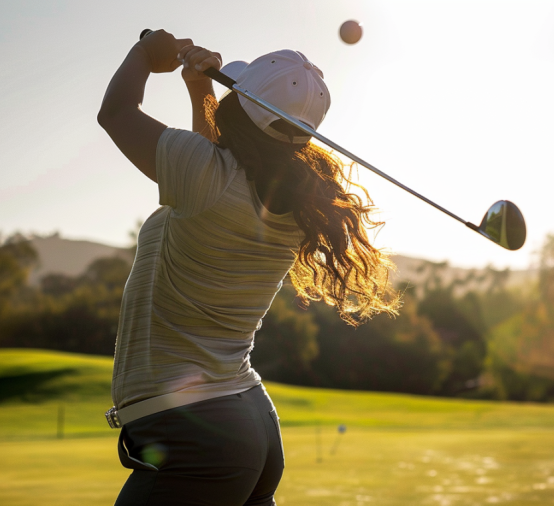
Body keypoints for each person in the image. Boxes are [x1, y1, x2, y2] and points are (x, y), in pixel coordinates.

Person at [97, 30, 400, 506]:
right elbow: (216, 157)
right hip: (244, 421)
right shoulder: (285, 200)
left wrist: (144, 54)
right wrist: (201, 90)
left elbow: (115, 115)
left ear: (242, 108)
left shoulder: (207, 176)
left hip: (199, 436)